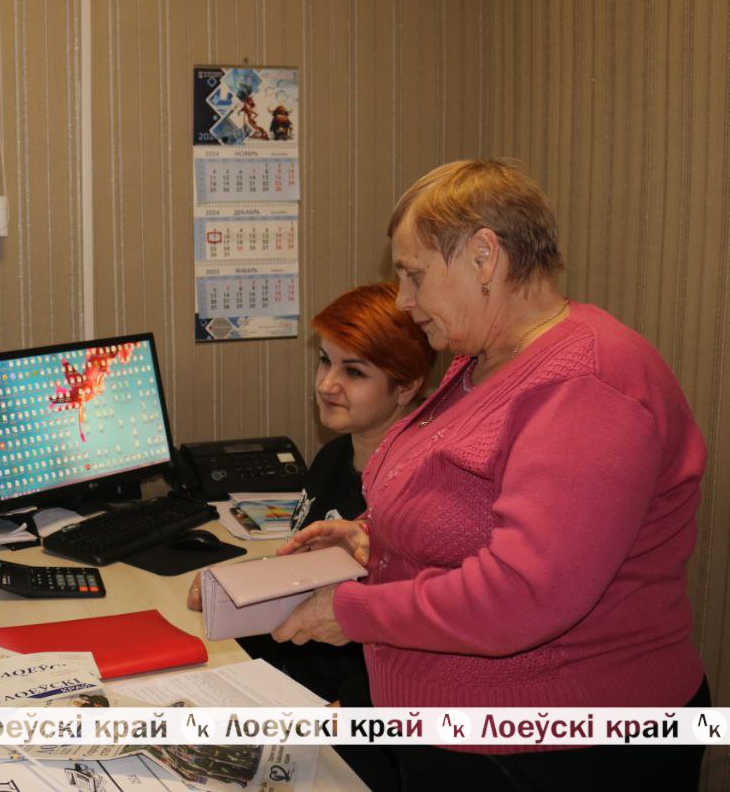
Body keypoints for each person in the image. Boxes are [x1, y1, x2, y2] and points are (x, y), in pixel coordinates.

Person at [277, 159, 709, 789]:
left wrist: (355, 612)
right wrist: (373, 535)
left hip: (562, 749)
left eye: (413, 274)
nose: (403, 300)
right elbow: (469, 505)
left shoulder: (588, 384)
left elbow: (524, 593)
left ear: (484, 257)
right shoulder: (486, 361)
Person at [187, 281, 433, 791]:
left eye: (354, 372)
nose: (327, 384)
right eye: (325, 361)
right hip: (286, 684)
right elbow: (303, 581)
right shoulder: (333, 458)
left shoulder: (420, 490)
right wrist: (235, 593)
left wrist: (347, 714)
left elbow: (419, 639)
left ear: (407, 386)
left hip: (354, 723)